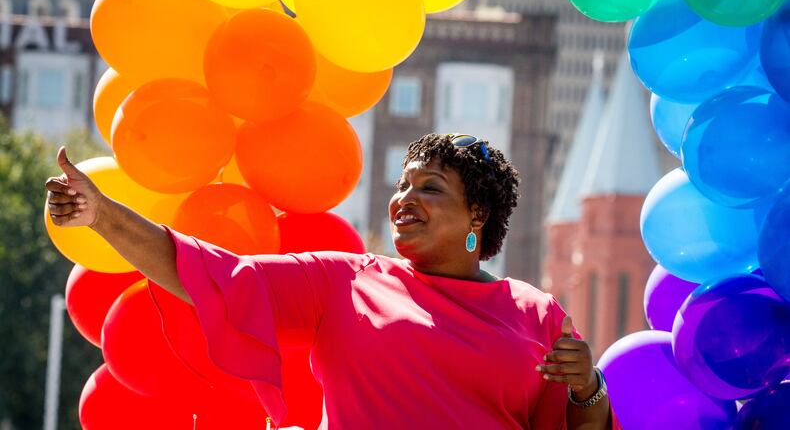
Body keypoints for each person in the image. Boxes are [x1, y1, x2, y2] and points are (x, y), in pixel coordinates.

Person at [46, 133, 620, 429]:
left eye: (430, 188)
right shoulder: (344, 282)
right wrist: (102, 215)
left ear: (478, 216)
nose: (403, 200)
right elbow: (205, 271)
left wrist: (586, 385)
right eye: (402, 186)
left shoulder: (536, 313)